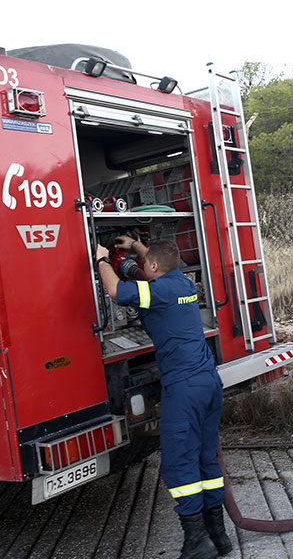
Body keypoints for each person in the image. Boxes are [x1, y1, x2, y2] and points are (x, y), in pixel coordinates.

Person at [96, 236, 230, 559]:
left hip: (183, 387)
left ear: (154, 267)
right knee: (205, 458)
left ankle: (197, 542)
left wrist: (101, 260)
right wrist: (138, 247)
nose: (141, 269)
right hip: (209, 382)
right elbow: (158, 264)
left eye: (144, 266)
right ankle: (219, 535)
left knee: (179, 463)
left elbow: (116, 291)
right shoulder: (183, 284)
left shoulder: (159, 291)